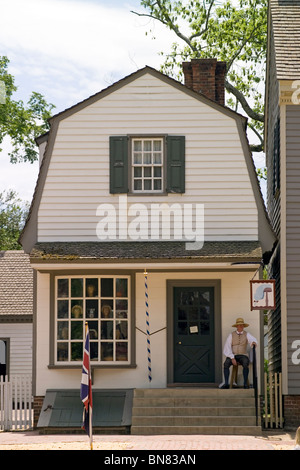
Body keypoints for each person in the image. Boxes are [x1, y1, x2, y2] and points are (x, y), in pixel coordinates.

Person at [221, 317, 257, 389]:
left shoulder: (246, 334)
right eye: (239, 325)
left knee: (245, 362)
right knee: (226, 364)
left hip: (242, 355)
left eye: (242, 325)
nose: (241, 326)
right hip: (233, 355)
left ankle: (245, 384)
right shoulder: (231, 335)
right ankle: (226, 383)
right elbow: (227, 347)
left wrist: (253, 342)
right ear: (236, 326)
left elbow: (252, 339)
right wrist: (232, 357)